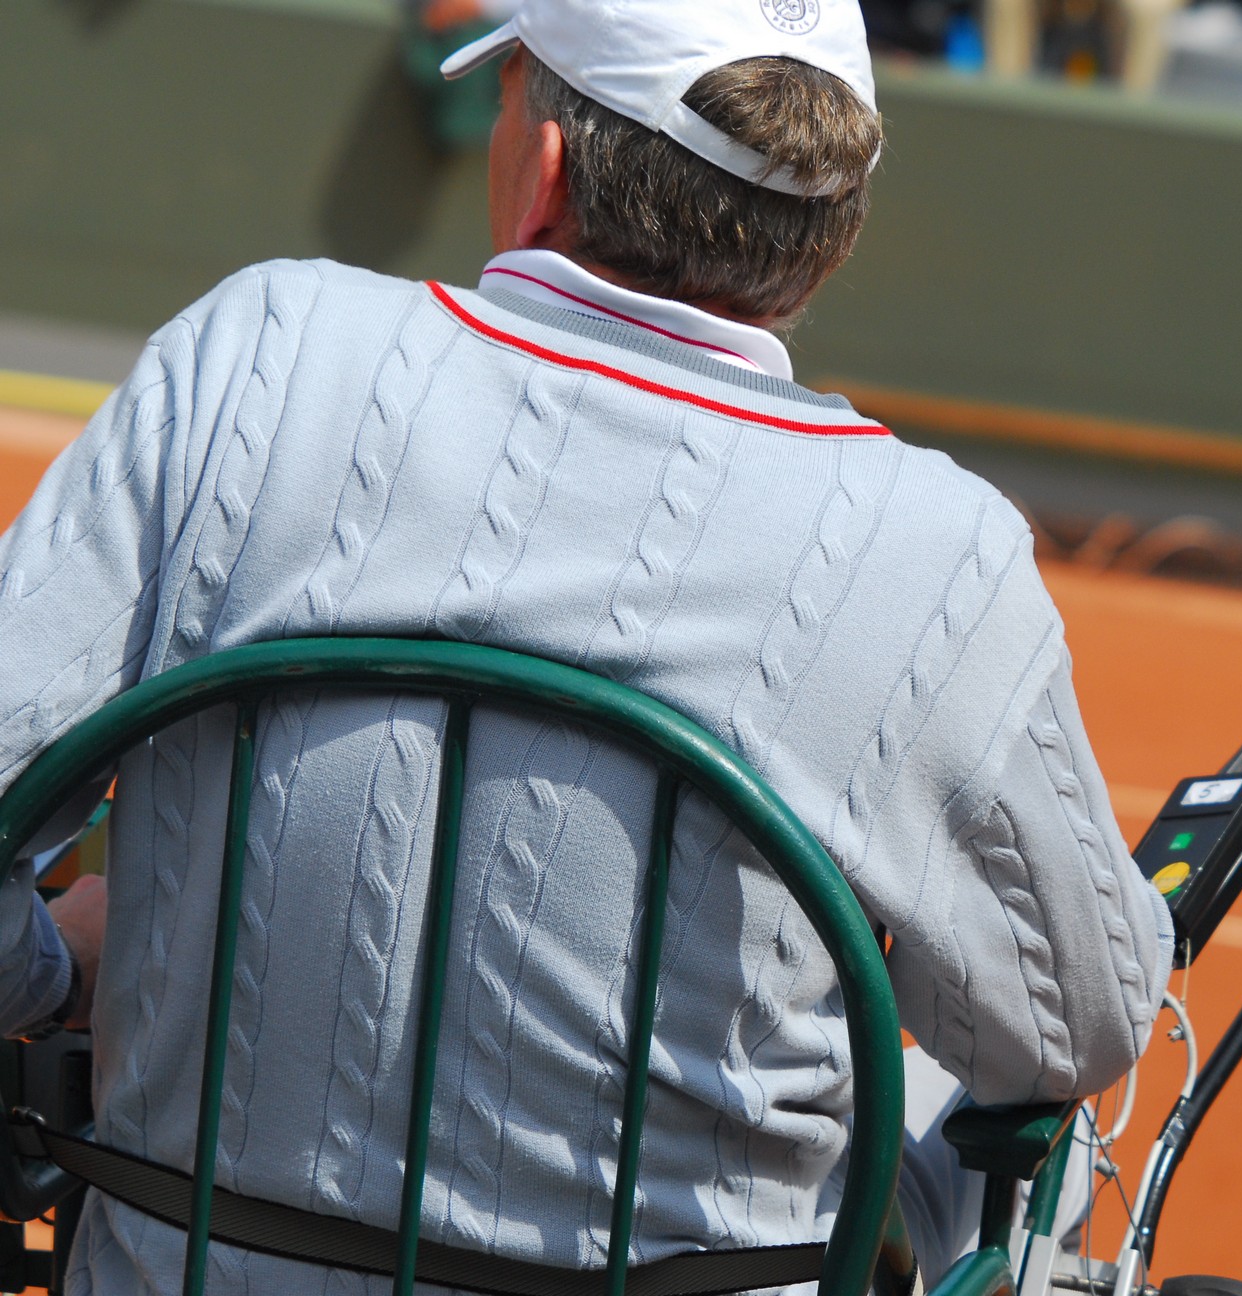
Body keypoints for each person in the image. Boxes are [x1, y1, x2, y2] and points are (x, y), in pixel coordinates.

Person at [0, 0, 1175, 1288]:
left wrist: (56, 968)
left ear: (544, 175)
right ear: (828, 241)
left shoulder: (254, 357)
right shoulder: (941, 552)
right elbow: (1078, 1026)